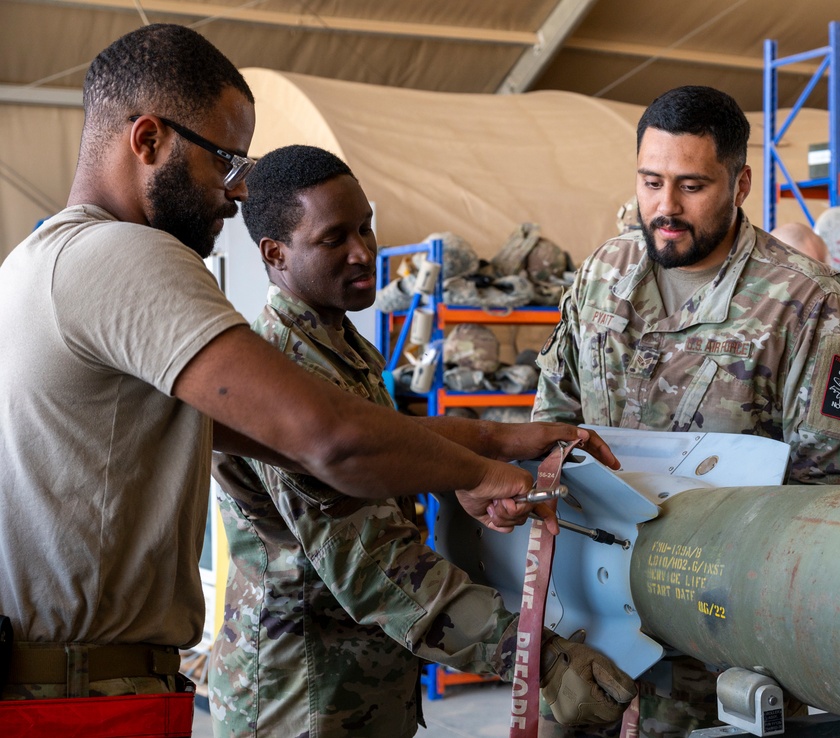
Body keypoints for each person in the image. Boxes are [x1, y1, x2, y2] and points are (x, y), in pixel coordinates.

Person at [0, 23, 620, 727]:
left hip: (77, 679)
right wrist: (480, 478)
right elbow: (330, 443)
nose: (235, 193)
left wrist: (489, 448)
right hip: (114, 691)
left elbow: (326, 442)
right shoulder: (127, 256)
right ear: (148, 141)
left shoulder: (41, 260)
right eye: (224, 161)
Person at [207, 145, 636, 737]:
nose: (364, 252)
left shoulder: (343, 349)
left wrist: (482, 450)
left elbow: (392, 446)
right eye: (335, 239)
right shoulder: (283, 374)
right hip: (305, 698)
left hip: (364, 684)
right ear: (274, 253)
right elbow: (375, 566)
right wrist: (540, 659)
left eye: (366, 227)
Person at [532, 86, 840, 737]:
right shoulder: (603, 273)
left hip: (719, 652)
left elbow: (839, 502)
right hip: (586, 628)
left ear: (740, 182)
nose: (664, 208)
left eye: (691, 186)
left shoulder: (809, 306)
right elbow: (550, 422)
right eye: (650, 182)